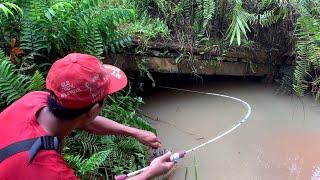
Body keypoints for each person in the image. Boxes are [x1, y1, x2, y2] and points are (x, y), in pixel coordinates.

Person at [0, 53, 174, 179]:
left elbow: (84, 121)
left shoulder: (36, 99)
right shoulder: (52, 172)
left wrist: (135, 132)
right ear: (92, 111)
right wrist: (149, 173)